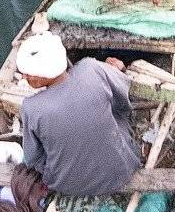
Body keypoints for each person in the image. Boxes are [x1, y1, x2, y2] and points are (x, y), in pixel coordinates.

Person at [16, 31, 141, 198]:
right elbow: (123, 99)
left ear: (44, 73)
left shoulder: (30, 107)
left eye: (28, 73)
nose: (24, 77)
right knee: (118, 116)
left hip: (68, 186)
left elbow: (32, 158)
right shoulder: (91, 67)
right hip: (122, 170)